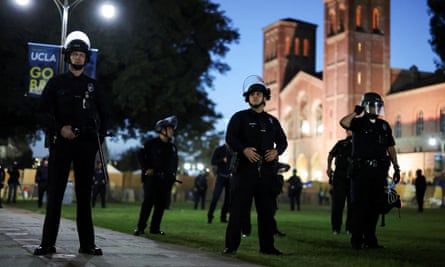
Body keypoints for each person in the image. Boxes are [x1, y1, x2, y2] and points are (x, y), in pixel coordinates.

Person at [34, 31, 111, 256]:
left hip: (86, 146)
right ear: (68, 57)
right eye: (74, 54)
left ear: (86, 58)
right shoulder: (56, 83)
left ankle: (87, 244)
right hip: (61, 145)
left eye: (82, 55)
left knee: (84, 196)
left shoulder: (94, 86)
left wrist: (99, 140)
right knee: (55, 195)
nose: (78, 58)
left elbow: (106, 115)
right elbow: (41, 113)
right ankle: (47, 244)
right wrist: (60, 129)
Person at [223, 75, 288, 256]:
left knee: (267, 214)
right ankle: (231, 246)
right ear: (247, 98)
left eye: (258, 94)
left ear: (265, 97)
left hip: (266, 174)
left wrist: (277, 151)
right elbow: (230, 138)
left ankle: (267, 248)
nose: (255, 97)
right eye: (252, 94)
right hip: (243, 172)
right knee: (237, 212)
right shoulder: (239, 118)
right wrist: (244, 150)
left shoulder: (272, 121)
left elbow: (283, 142)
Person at [339, 92, 400, 250]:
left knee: (375, 207)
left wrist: (396, 166)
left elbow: (390, 147)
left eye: (379, 105)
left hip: (379, 172)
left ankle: (371, 240)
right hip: (361, 171)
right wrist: (355, 112)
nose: (377, 108)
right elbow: (344, 123)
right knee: (359, 206)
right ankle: (357, 240)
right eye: (374, 105)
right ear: (366, 106)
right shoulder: (358, 123)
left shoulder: (384, 125)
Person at [134, 115, 179, 236]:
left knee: (161, 205)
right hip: (152, 179)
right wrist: (147, 168)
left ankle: (155, 228)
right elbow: (140, 154)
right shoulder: (151, 143)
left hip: (166, 180)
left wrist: (173, 176)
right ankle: (140, 227)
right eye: (170, 128)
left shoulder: (172, 147)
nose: (172, 131)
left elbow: (174, 163)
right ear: (162, 130)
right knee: (148, 202)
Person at [327, 130, 353, 235]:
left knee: (352, 205)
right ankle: (336, 228)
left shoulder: (359, 144)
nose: (349, 132)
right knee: (338, 204)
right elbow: (330, 155)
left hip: (352, 177)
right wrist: (328, 168)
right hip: (340, 176)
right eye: (348, 130)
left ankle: (349, 228)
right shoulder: (341, 143)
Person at [207, 143, 232, 223]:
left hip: (229, 176)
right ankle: (210, 216)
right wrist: (222, 160)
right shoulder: (219, 149)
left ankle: (223, 217)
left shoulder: (233, 149)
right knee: (216, 197)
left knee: (228, 199)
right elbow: (213, 161)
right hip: (220, 176)